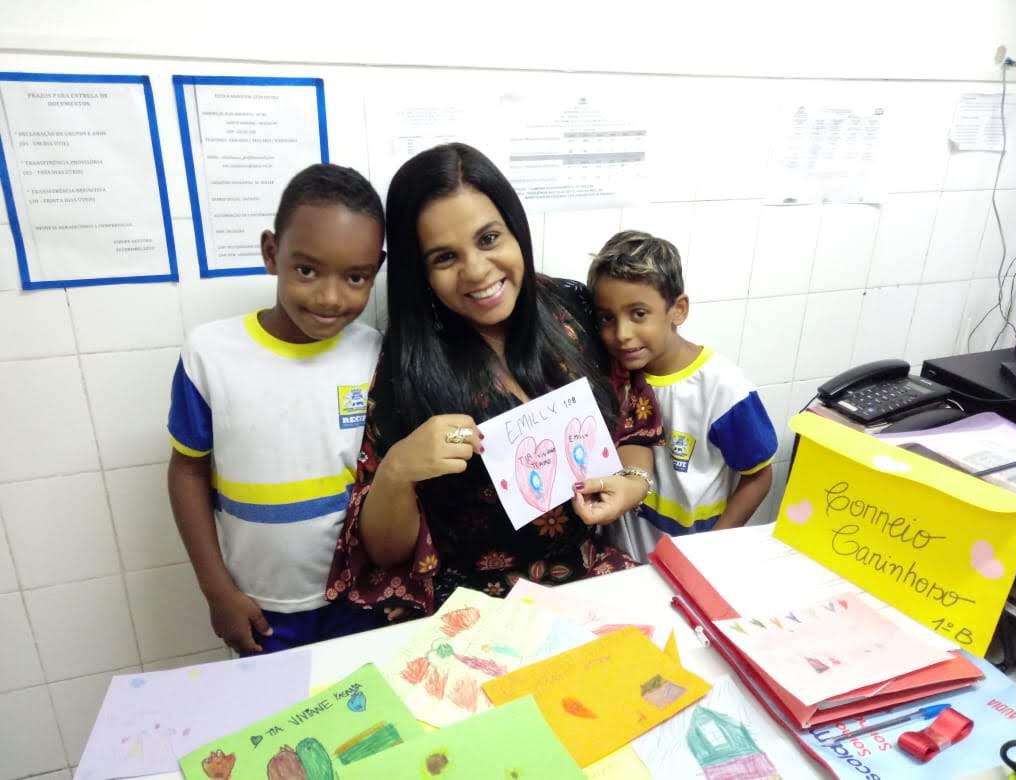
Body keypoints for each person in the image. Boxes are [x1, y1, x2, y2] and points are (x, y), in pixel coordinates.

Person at [325, 143, 663, 617]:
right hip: (475, 615)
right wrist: (398, 470)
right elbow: (386, 554)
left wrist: (632, 482)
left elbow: (636, 426)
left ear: (515, 231)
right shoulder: (405, 368)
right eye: (445, 258)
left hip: (590, 587)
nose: (477, 271)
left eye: (488, 239)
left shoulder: (577, 312)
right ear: (418, 271)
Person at [167, 164, 386, 654]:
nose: (330, 297)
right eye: (307, 270)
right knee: (280, 727)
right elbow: (187, 472)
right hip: (260, 608)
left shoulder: (373, 353)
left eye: (356, 277)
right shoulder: (210, 354)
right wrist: (216, 590)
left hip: (359, 597)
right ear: (272, 253)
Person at [588, 230, 777, 562]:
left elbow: (759, 476)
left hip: (691, 558)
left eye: (638, 314)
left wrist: (710, 551)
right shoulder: (613, 378)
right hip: (621, 557)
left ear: (678, 310)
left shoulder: (723, 388)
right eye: (607, 318)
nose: (622, 334)